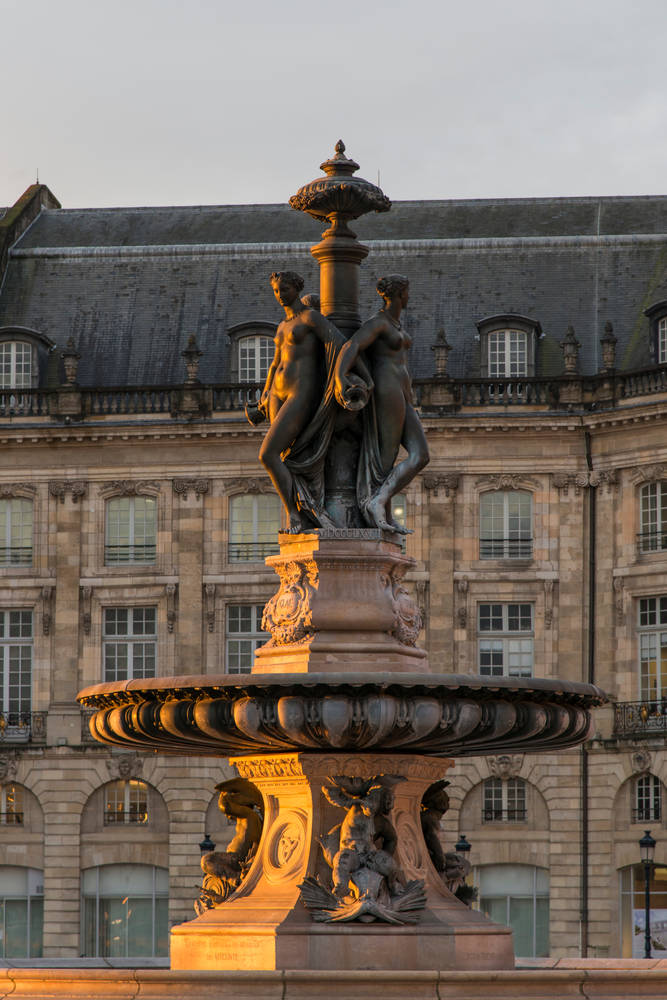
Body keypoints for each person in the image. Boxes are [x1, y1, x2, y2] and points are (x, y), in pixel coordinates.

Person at [334, 274, 429, 532]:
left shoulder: (395, 325)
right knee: (385, 459)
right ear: (398, 294)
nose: (409, 296)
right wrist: (340, 376)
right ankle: (379, 506)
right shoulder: (378, 323)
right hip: (387, 390)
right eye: (407, 291)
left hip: (403, 393)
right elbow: (351, 345)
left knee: (421, 455)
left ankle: (379, 500)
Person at [255, 271, 345, 531]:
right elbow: (275, 363)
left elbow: (338, 344)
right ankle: (300, 508)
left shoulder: (310, 318)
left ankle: (296, 514)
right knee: (284, 455)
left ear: (296, 288)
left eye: (284, 289)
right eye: (276, 290)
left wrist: (341, 380)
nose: (280, 294)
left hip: (300, 393)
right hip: (277, 395)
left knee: (268, 454)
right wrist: (264, 396)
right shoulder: (283, 325)